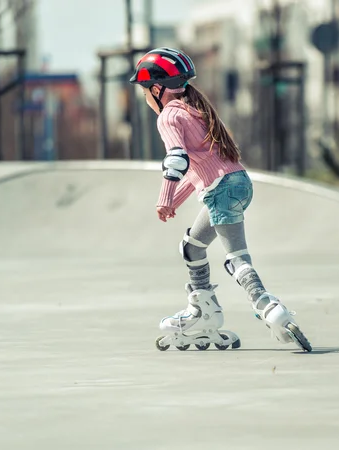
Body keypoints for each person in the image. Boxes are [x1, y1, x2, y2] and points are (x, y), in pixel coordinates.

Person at [129, 47, 311, 352]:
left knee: (236, 258)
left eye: (145, 91)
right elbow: (202, 168)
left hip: (221, 191)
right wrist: (175, 200)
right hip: (236, 183)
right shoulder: (194, 109)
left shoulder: (169, 116)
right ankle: (203, 312)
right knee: (191, 247)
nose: (146, 98)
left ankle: (270, 309)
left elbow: (177, 160)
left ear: (157, 89)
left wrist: (164, 198)